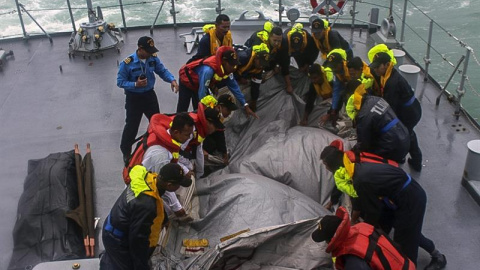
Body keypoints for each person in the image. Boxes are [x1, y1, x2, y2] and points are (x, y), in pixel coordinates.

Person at [320, 145, 447, 269]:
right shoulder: (352, 168)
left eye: (325, 164)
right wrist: (353, 219)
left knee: (406, 242)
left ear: (332, 165)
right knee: (404, 230)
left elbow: (373, 211)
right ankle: (432, 251)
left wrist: (363, 233)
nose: (325, 167)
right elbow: (357, 196)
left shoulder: (361, 180)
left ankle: (438, 258)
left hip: (410, 199)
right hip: (396, 197)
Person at [100, 163, 192, 270]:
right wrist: (142, 266)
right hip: (116, 239)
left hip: (114, 224)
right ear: (169, 185)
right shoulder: (146, 205)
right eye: (178, 184)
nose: (179, 187)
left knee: (115, 261)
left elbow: (156, 200)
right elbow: (137, 242)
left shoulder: (148, 179)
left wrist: (164, 219)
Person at [117, 36, 179, 165]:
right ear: (140, 49)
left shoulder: (153, 58)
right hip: (133, 98)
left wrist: (172, 80)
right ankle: (126, 151)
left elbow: (162, 71)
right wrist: (135, 84)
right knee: (131, 126)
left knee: (156, 121)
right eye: (148, 51)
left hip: (149, 95)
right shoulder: (127, 63)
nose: (150, 53)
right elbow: (120, 82)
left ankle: (159, 144)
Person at [311, 206, 415, 270]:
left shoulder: (353, 261)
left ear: (332, 239)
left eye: (325, 240)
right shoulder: (361, 227)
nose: (325, 243)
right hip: (405, 264)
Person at [369, 49, 423, 171]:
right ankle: (405, 157)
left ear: (387, 64)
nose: (375, 70)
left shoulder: (392, 83)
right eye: (375, 67)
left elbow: (390, 108)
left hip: (410, 113)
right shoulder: (387, 75)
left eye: (378, 67)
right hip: (408, 107)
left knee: (406, 134)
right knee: (406, 133)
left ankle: (416, 161)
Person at [177, 46, 257, 119]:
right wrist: (208, 109)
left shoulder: (228, 71)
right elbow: (202, 93)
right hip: (187, 81)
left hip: (199, 84)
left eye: (235, 65)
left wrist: (245, 105)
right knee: (183, 108)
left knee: (198, 111)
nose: (234, 68)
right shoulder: (208, 70)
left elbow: (235, 88)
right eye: (232, 65)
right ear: (224, 62)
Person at [345, 80, 410, 163]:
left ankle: (390, 162)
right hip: (404, 136)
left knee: (368, 155)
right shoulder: (376, 98)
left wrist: (352, 152)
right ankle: (399, 158)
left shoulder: (363, 116)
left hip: (394, 146)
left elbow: (363, 145)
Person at [201, 94, 238, 175]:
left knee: (213, 143)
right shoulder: (208, 114)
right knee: (210, 143)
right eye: (228, 110)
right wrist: (201, 151)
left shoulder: (216, 115)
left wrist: (224, 153)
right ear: (219, 107)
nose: (229, 113)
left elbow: (219, 135)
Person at [278, 23, 319, 94]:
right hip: (289, 51)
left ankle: (306, 84)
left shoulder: (308, 39)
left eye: (297, 47)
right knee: (283, 68)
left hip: (302, 52)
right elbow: (284, 62)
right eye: (294, 47)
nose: (295, 49)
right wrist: (289, 85)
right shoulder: (284, 41)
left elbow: (314, 53)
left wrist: (306, 65)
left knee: (304, 69)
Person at [235, 43, 270, 111]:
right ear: (256, 58)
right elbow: (228, 69)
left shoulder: (259, 67)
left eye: (264, 65)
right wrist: (239, 78)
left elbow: (256, 85)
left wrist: (254, 101)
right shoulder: (243, 58)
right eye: (261, 63)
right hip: (232, 60)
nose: (261, 66)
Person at [320, 49, 350, 126]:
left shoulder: (351, 71)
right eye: (332, 67)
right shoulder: (336, 74)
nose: (334, 69)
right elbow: (337, 92)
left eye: (335, 66)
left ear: (341, 63)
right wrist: (333, 110)